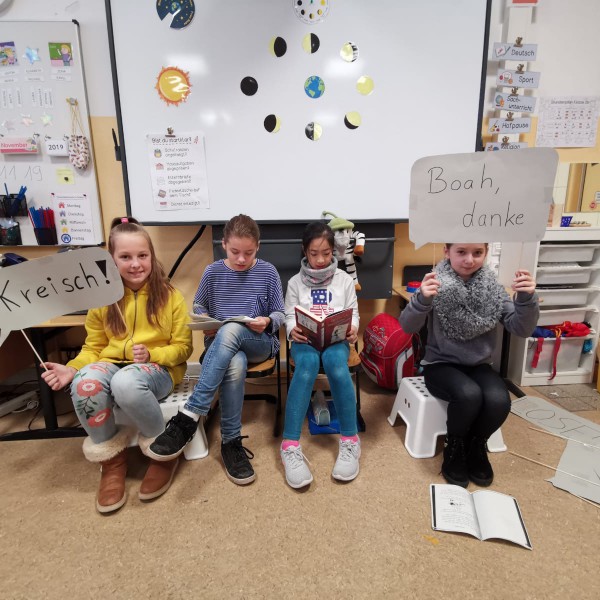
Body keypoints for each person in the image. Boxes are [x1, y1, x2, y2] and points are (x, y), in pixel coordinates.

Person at [41, 217, 193, 513]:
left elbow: (183, 348)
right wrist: (72, 368)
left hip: (158, 371)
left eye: (142, 255)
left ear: (151, 256)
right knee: (84, 385)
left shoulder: (170, 296)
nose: (135, 264)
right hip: (111, 363)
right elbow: (93, 348)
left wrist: (153, 355)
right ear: (111, 259)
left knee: (125, 383)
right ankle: (112, 461)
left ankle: (163, 450)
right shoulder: (102, 299)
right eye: (125, 257)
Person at [148, 214, 285, 486]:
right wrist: (203, 319)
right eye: (235, 251)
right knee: (235, 361)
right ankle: (231, 443)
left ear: (258, 247)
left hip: (259, 342)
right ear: (224, 245)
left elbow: (280, 313)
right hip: (221, 347)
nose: (242, 259)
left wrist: (268, 321)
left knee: (232, 329)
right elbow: (199, 305)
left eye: (249, 252)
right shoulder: (212, 272)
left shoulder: (268, 272)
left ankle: (190, 414)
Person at [399, 243, 539, 488]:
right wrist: (422, 299)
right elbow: (407, 326)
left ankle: (475, 445)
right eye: (461, 252)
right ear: (447, 252)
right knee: (468, 395)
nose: (469, 260)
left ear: (486, 253)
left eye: (477, 253)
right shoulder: (435, 283)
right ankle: (454, 446)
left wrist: (526, 299)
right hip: (439, 364)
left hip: (478, 365)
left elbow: (521, 328)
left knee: (499, 400)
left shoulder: (493, 289)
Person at [280, 221, 360, 489]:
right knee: (307, 365)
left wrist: (353, 329)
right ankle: (290, 445)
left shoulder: (344, 280)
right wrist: (292, 329)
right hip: (305, 340)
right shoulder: (295, 282)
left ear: (333, 251)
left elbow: (353, 313)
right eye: (314, 253)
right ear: (304, 251)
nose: (320, 259)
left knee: (336, 365)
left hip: (336, 340)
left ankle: (350, 441)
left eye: (326, 253)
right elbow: (289, 314)